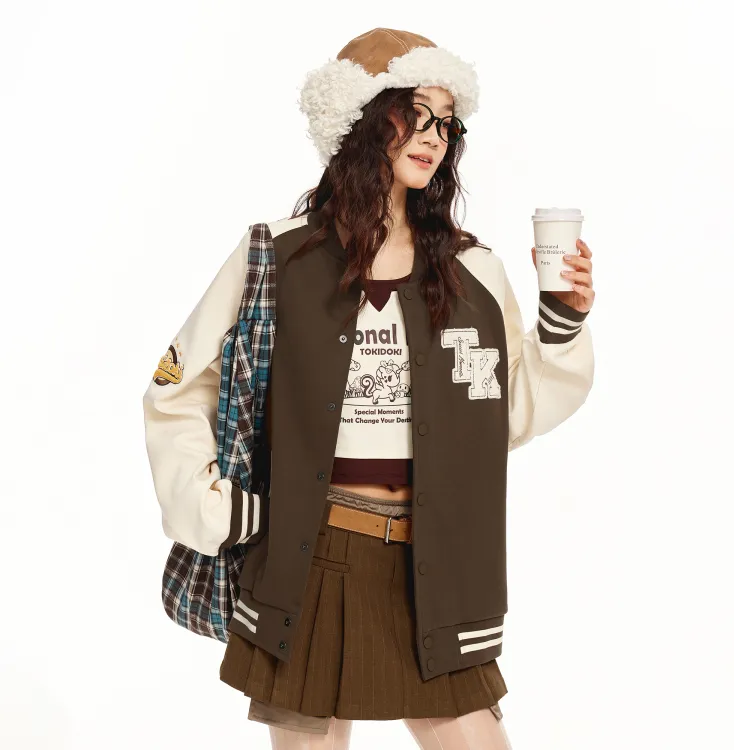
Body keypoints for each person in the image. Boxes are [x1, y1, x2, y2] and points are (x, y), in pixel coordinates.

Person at [142, 27, 595, 750]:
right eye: (417, 113)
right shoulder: (277, 255)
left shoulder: (473, 271)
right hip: (308, 554)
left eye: (447, 123)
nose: (435, 136)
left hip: (438, 561)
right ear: (361, 117)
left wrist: (563, 321)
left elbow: (507, 413)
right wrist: (213, 508)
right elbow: (176, 384)